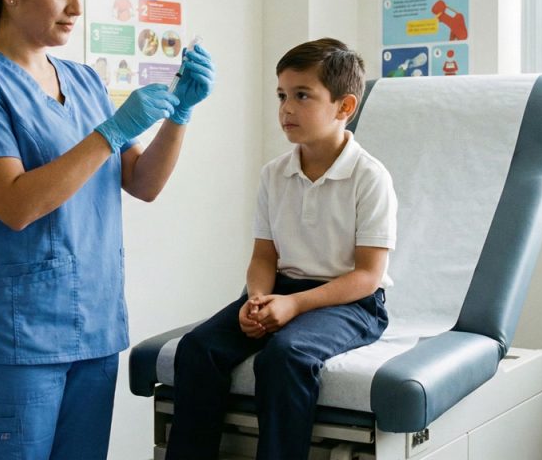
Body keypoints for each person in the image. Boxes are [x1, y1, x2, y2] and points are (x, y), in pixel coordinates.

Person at [0, 0, 214, 460]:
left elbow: (144, 183)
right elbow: (15, 205)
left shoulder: (84, 81)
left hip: (93, 327)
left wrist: (180, 114)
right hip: (11, 337)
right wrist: (108, 134)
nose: (76, 9)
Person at [165, 38, 396, 460]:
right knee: (198, 348)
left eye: (302, 95)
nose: (286, 108)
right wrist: (256, 300)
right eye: (282, 95)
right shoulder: (275, 174)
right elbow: (264, 257)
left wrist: (293, 307)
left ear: (345, 107)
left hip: (351, 302)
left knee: (285, 355)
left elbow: (367, 276)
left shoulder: (369, 177)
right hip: (281, 289)